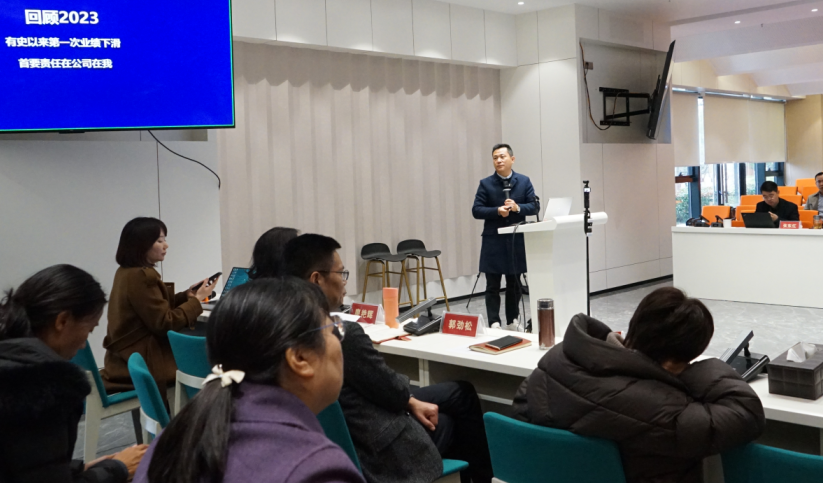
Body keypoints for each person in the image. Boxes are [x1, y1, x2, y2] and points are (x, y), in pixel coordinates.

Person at [285, 234, 494, 483]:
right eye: (341, 273)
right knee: (455, 409)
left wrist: (408, 400)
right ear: (317, 279)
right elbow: (390, 389)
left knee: (449, 403)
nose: (344, 282)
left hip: (349, 440)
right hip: (379, 453)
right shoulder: (340, 334)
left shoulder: (284, 329)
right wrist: (408, 400)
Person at [513, 287, 764, 483]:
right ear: (672, 362)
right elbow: (746, 411)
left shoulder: (556, 361)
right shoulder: (666, 410)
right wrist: (701, 368)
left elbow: (521, 409)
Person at [135, 277, 364, 483]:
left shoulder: (173, 437)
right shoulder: (316, 470)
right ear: (300, 358)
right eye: (332, 329)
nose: (338, 338)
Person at [0, 264, 147, 483]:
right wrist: (117, 469)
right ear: (62, 321)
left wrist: (75, 470)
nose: (83, 345)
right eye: (89, 330)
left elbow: (0, 462)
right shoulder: (40, 391)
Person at [102, 217, 220, 403]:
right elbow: (165, 323)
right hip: (148, 359)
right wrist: (197, 301)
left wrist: (186, 296)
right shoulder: (142, 276)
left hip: (124, 356)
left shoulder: (126, 272)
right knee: (212, 360)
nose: (166, 245)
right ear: (142, 245)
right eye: (159, 241)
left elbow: (153, 306)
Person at [472, 143, 539, 330]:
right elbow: (476, 210)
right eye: (495, 158)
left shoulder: (524, 181)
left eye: (502, 156)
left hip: (516, 241)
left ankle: (512, 320)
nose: (499, 160)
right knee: (492, 285)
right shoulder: (485, 183)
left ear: (512, 159)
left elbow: (534, 207)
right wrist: (497, 211)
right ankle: (494, 322)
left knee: (514, 284)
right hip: (493, 241)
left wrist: (517, 208)